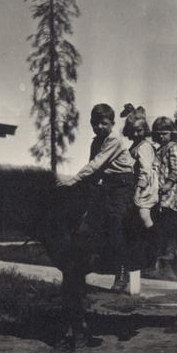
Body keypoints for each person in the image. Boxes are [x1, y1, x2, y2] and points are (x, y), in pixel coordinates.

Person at [57, 104, 134, 292]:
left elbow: (95, 164)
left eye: (104, 123)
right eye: (95, 123)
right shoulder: (96, 141)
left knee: (115, 221)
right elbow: (94, 171)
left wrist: (73, 180)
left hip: (121, 183)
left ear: (113, 123)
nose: (99, 127)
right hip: (105, 183)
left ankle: (123, 272)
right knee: (87, 218)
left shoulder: (113, 140)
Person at [152, 116, 177, 260]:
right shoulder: (158, 149)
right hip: (160, 186)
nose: (161, 136)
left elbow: (176, 169)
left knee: (166, 211)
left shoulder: (174, 148)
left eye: (164, 133)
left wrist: (168, 184)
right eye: (158, 133)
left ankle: (173, 246)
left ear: (171, 133)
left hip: (174, 188)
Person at [122, 109, 159, 256]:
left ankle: (156, 244)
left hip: (145, 185)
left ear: (145, 130)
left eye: (139, 130)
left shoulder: (144, 147)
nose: (136, 134)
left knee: (143, 213)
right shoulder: (134, 146)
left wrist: (138, 191)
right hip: (135, 183)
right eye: (133, 131)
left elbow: (145, 170)